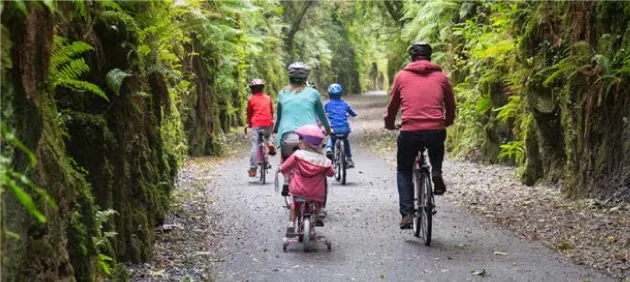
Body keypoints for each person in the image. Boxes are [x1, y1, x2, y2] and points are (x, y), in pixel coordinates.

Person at [384, 42, 456, 229]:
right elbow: (451, 104)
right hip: (435, 129)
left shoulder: (401, 77)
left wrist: (389, 123)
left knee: (404, 170)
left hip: (410, 131)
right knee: (437, 141)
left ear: (411, 58)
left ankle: (407, 213)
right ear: (430, 57)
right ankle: (437, 171)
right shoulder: (441, 77)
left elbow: (392, 106)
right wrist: (446, 122)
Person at [273, 62, 332, 196]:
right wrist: (327, 129)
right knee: (317, 159)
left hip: (286, 135)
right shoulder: (314, 93)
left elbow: (279, 115)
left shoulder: (282, 93)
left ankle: (287, 181)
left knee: (285, 157)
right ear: (306, 77)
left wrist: (276, 129)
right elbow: (321, 115)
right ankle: (318, 205)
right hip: (309, 135)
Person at [279, 124, 334, 237]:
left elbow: (285, 167)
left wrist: (280, 169)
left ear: (304, 143)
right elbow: (330, 173)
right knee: (319, 197)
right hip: (316, 194)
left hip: (298, 191)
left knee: (294, 204)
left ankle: (291, 224)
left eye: (301, 140)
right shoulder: (324, 161)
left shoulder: (298, 155)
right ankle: (320, 210)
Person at [246, 78, 276, 177]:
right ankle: (270, 143)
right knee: (268, 136)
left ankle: (253, 169)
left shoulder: (251, 99)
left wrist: (250, 124)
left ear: (252, 89)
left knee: (256, 145)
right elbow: (271, 112)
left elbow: (249, 114)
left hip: (256, 123)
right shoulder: (268, 98)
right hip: (268, 122)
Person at [324, 83, 358, 168]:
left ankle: (329, 149)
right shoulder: (344, 104)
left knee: (332, 138)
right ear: (341, 94)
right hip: (344, 128)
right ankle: (349, 159)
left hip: (334, 129)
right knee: (345, 140)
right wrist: (354, 114)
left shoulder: (327, 104)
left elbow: (323, 112)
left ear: (329, 94)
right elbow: (351, 112)